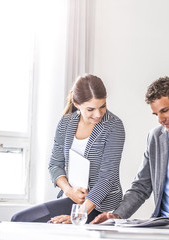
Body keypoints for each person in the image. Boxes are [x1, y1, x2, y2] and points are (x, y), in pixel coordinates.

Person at [91, 77, 169, 224]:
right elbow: (141, 187)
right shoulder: (155, 138)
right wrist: (117, 215)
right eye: (156, 114)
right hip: (161, 225)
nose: (160, 119)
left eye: (164, 111)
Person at [11, 74, 125, 223]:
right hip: (72, 199)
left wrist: (79, 214)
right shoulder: (66, 123)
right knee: (19, 219)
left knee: (28, 221)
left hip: (100, 204)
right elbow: (55, 165)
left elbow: (107, 177)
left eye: (102, 106)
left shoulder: (114, 126)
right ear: (77, 104)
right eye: (90, 109)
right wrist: (69, 191)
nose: (98, 114)